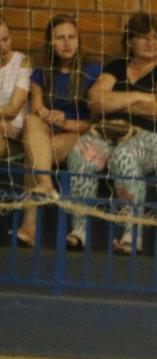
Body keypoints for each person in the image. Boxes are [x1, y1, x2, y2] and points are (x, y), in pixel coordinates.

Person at [66, 13, 157, 254]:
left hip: (154, 137)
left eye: (155, 37)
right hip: (110, 133)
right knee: (80, 152)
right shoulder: (116, 67)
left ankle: (132, 234)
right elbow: (95, 101)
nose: (150, 42)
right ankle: (80, 230)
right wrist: (140, 96)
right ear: (129, 41)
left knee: (124, 156)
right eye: (143, 37)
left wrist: (117, 102)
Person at [18, 16, 99, 247]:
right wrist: (45, 113)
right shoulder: (42, 71)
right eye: (60, 38)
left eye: (72, 37)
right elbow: (36, 107)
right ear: (50, 42)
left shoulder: (92, 70)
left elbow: (95, 123)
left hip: (77, 133)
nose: (67, 43)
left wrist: (66, 122)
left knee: (33, 155)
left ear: (78, 40)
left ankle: (30, 225)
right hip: (46, 132)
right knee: (32, 121)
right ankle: (45, 183)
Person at [0, 16, 31, 160]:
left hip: (13, 136)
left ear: (11, 38)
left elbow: (13, 110)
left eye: (5, 39)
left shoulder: (22, 62)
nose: (2, 46)